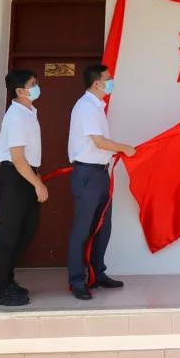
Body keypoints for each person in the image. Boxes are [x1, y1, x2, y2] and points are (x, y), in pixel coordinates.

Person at [66, 65, 136, 300]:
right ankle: (77, 281)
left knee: (102, 227)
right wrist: (124, 148)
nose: (111, 81)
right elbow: (99, 142)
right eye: (108, 78)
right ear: (97, 83)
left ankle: (97, 273)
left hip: (100, 173)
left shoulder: (97, 107)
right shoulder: (86, 107)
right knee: (83, 228)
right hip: (88, 174)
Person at [0, 69, 47, 307]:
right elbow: (18, 157)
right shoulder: (15, 116)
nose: (37, 86)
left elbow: (28, 157)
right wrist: (38, 184)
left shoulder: (29, 112)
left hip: (26, 174)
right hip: (15, 175)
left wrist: (36, 176)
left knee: (26, 230)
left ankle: (5, 279)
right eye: (33, 84)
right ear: (20, 91)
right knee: (9, 232)